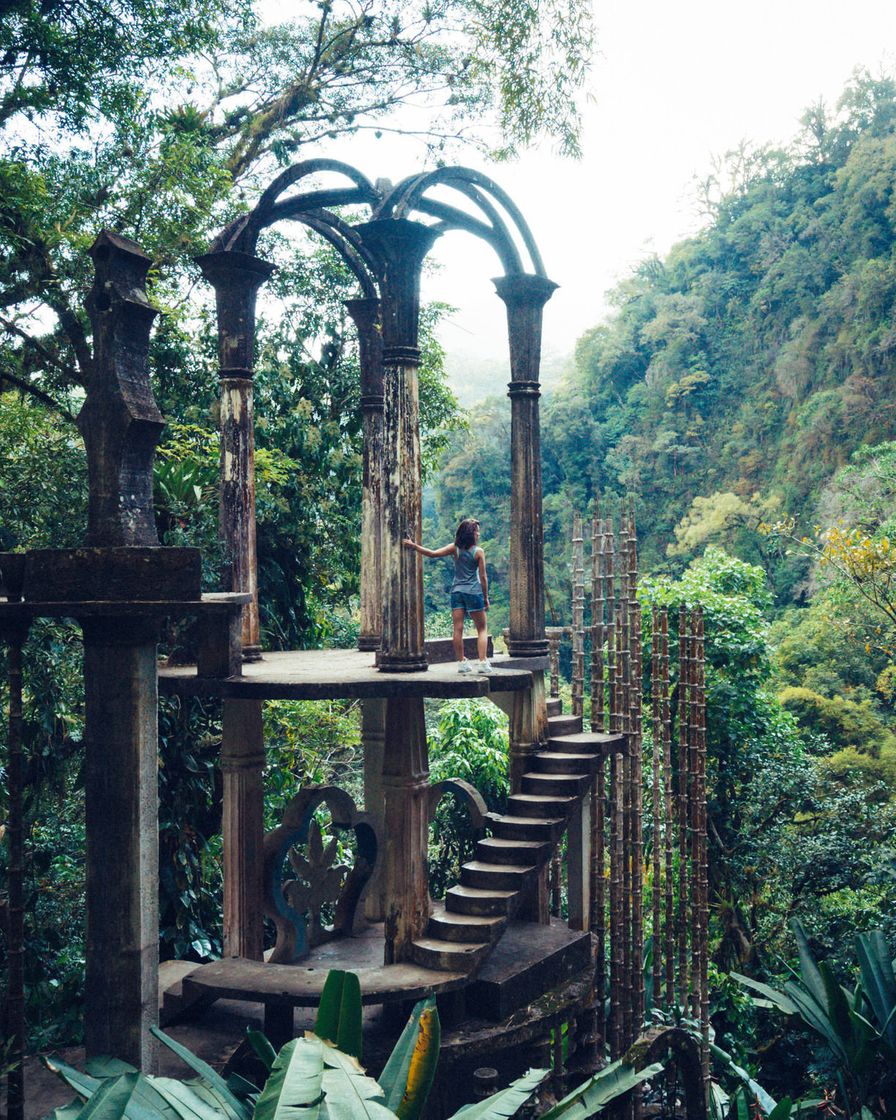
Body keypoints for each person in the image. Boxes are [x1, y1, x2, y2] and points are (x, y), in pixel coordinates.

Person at [403, 518, 493, 674]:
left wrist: (413, 546)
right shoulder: (478, 552)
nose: (478, 534)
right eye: (476, 531)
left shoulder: (455, 548)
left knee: (457, 628)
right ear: (471, 534)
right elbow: (483, 577)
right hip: (473, 592)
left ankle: (461, 663)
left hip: (457, 592)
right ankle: (483, 663)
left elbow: (432, 554)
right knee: (482, 629)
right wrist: (485, 598)